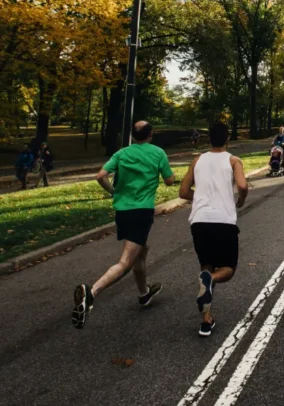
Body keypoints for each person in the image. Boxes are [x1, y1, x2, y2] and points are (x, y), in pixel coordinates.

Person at [71, 121, 175, 329]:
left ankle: (144, 294)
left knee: (142, 251)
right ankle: (91, 293)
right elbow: (170, 181)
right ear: (151, 134)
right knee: (126, 261)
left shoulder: (122, 153)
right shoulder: (157, 153)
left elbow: (100, 175)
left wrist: (113, 191)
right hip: (141, 211)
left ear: (133, 135)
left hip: (123, 211)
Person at [179, 122, 249, 337]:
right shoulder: (233, 160)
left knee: (206, 267)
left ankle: (206, 320)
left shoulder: (197, 160)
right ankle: (212, 282)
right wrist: (241, 200)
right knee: (227, 269)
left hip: (199, 221)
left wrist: (200, 198)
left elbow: (183, 191)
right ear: (227, 139)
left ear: (208, 138)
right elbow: (243, 186)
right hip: (224, 221)